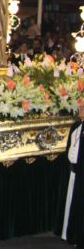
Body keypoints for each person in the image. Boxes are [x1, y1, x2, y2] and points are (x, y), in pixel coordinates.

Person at [61, 101, 84, 247]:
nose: (80, 109)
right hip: (74, 173)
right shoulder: (76, 126)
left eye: (83, 108)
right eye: (80, 107)